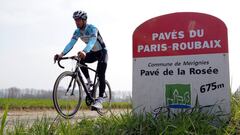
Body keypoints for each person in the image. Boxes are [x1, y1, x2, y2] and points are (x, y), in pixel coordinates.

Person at [54, 10, 108, 109]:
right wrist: (61, 54)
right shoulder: (77, 32)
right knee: (80, 59)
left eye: (78, 20)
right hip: (92, 52)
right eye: (75, 20)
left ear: (84, 20)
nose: (76, 22)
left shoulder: (92, 28)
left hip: (102, 52)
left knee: (101, 73)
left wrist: (84, 51)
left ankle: (100, 99)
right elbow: (71, 43)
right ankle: (89, 82)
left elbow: (92, 41)